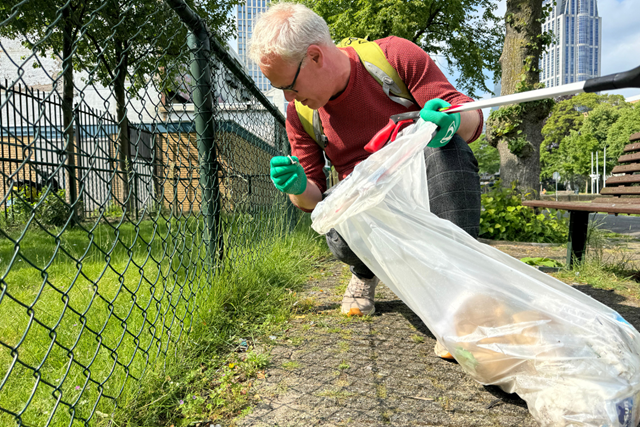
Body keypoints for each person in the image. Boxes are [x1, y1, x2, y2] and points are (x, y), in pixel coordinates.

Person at [249, 3, 482, 351]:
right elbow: (314, 203)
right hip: (368, 211)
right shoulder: (299, 114)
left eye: (290, 86)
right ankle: (364, 271)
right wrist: (298, 187)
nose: (287, 97)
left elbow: (473, 120)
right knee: (335, 218)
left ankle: (459, 297)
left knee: (449, 148)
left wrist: (450, 122)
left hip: (424, 190)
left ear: (314, 56)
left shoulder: (392, 58)